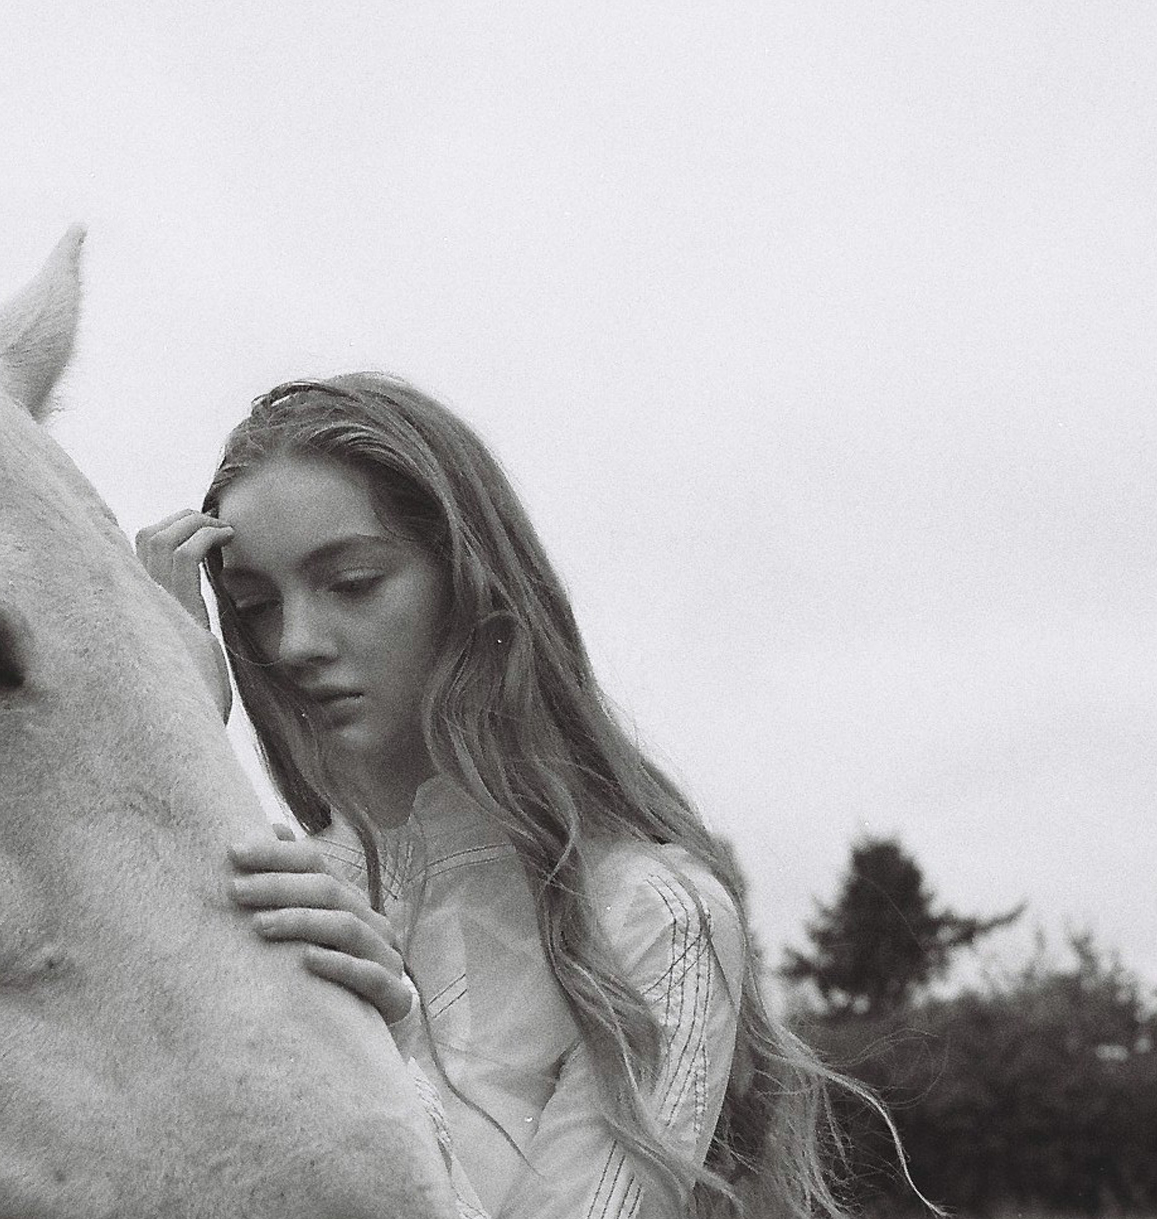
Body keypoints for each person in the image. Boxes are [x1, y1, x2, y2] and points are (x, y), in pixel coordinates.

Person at [136, 374, 878, 1219]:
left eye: (352, 582)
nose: (294, 642)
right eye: (256, 606)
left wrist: (390, 1052)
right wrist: (165, 716)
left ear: (472, 580)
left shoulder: (652, 917)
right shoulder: (277, 894)